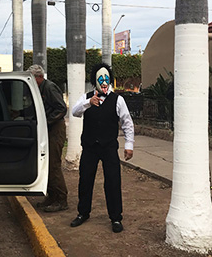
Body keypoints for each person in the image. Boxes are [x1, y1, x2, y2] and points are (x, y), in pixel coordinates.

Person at [70, 63, 134, 233]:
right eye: (100, 79)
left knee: (113, 182)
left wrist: (129, 145)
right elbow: (74, 112)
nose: (104, 82)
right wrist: (87, 103)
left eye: (106, 79)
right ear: (94, 81)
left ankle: (115, 218)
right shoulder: (86, 97)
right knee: (85, 180)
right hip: (90, 147)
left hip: (109, 147)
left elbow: (127, 123)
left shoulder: (117, 100)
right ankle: (83, 213)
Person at [27, 64, 68, 212]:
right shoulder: (39, 89)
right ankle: (52, 196)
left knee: (53, 165)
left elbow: (61, 108)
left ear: (39, 77)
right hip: (48, 129)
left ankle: (61, 199)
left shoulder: (49, 87)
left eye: (32, 78)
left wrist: (46, 121)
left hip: (55, 129)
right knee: (46, 164)